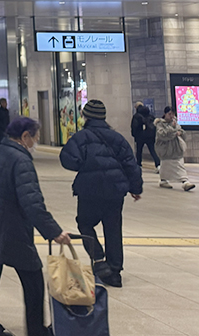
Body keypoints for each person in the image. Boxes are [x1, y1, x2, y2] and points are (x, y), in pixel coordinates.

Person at [0, 116, 71, 336]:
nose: (36, 142)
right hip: (10, 231)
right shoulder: (21, 160)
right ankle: (36, 330)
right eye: (35, 137)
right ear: (25, 136)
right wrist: (54, 231)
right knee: (34, 280)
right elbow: (32, 202)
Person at [59, 99, 143, 288]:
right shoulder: (117, 138)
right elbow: (131, 164)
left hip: (90, 190)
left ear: (85, 117)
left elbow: (67, 159)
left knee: (85, 223)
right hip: (115, 191)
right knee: (113, 228)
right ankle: (114, 272)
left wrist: (84, 166)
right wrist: (135, 189)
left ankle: (98, 257)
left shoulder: (81, 137)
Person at [155, 106, 194, 191]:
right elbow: (162, 135)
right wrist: (173, 130)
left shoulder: (175, 123)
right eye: (169, 114)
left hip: (176, 149)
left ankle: (185, 181)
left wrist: (179, 133)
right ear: (165, 114)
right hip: (166, 150)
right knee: (165, 166)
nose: (171, 116)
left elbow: (181, 132)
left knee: (179, 165)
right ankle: (164, 180)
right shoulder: (160, 124)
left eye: (173, 114)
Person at [131, 101, 160, 170]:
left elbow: (134, 126)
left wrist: (134, 134)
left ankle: (139, 165)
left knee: (139, 151)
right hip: (149, 136)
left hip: (140, 136)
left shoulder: (136, 116)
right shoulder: (149, 115)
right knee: (152, 150)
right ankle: (158, 164)